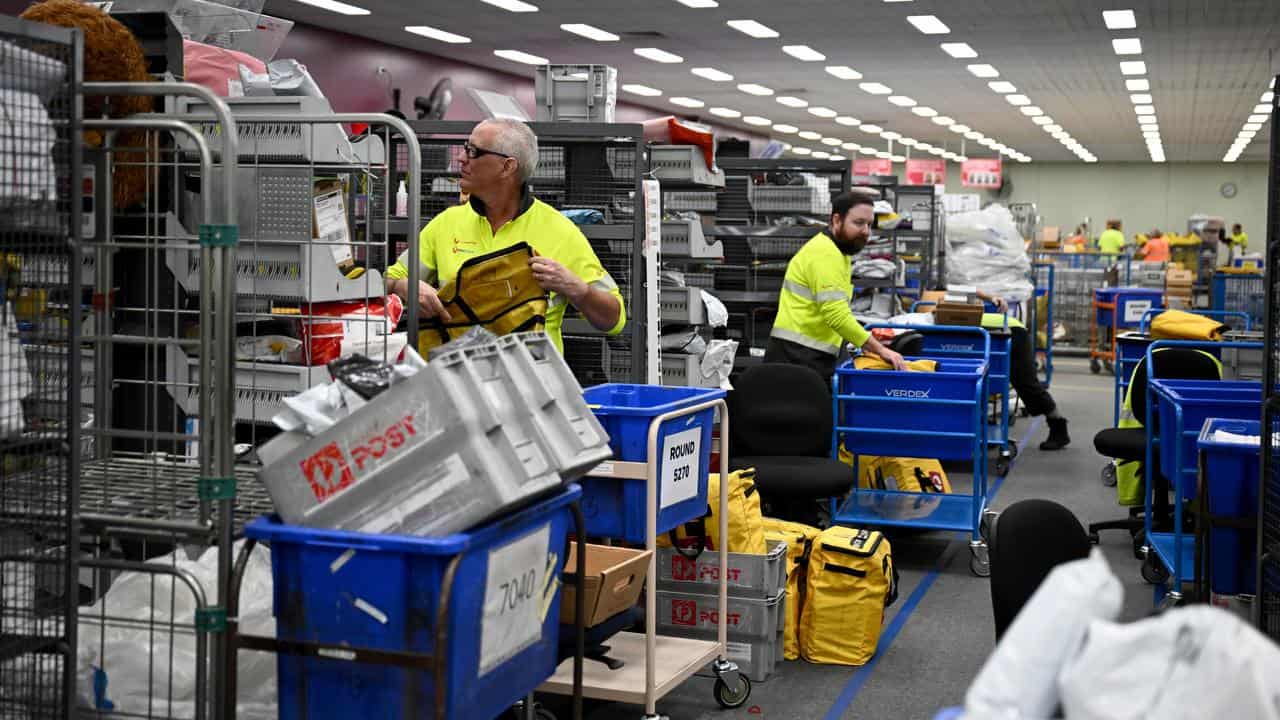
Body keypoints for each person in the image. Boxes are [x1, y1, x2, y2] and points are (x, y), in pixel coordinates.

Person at [384, 119, 625, 353]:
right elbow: (388, 281)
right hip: (456, 380)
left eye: (473, 151)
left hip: (530, 382)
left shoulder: (560, 231)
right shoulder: (447, 223)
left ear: (507, 167)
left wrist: (578, 289)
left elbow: (614, 320)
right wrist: (404, 286)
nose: (461, 158)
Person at [765, 191, 906, 382]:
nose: (866, 231)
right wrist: (880, 350)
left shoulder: (840, 253)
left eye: (869, 224)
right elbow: (836, 315)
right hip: (797, 356)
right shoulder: (826, 254)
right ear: (837, 220)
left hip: (807, 353)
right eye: (858, 223)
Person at [975, 291, 1071, 451]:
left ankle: (1058, 427)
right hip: (990, 332)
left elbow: (977, 291)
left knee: (1026, 383)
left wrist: (992, 298)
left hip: (1010, 332)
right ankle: (983, 428)